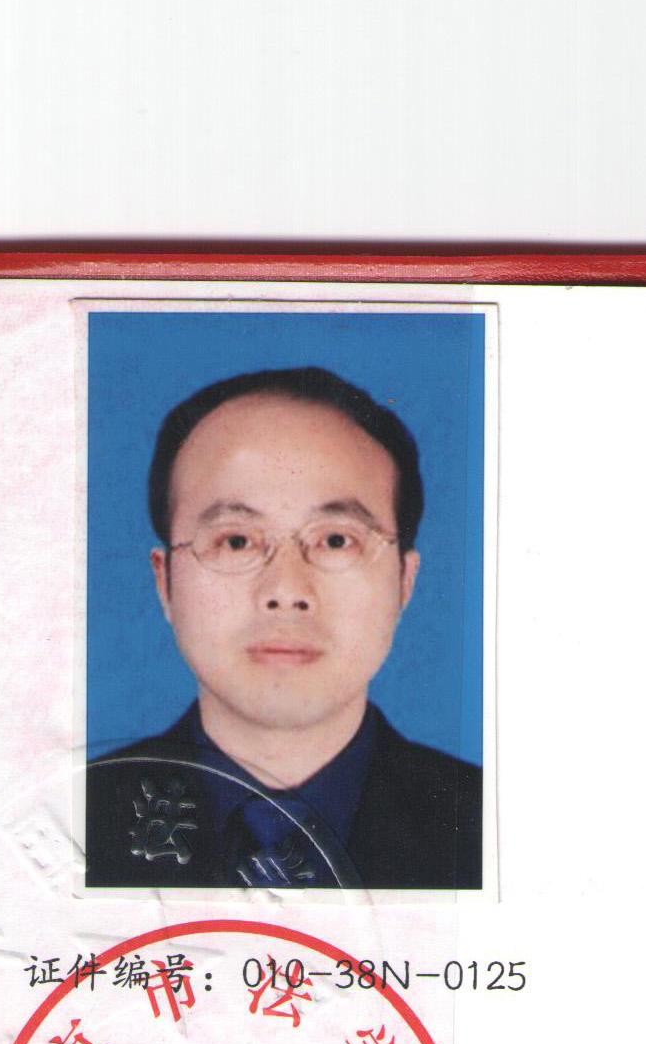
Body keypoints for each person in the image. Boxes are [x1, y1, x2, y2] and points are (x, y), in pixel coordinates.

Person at [85, 365, 482, 890]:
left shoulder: (497, 831)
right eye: (236, 541)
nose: (286, 591)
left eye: (336, 540)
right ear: (165, 582)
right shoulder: (73, 825)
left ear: (404, 581)